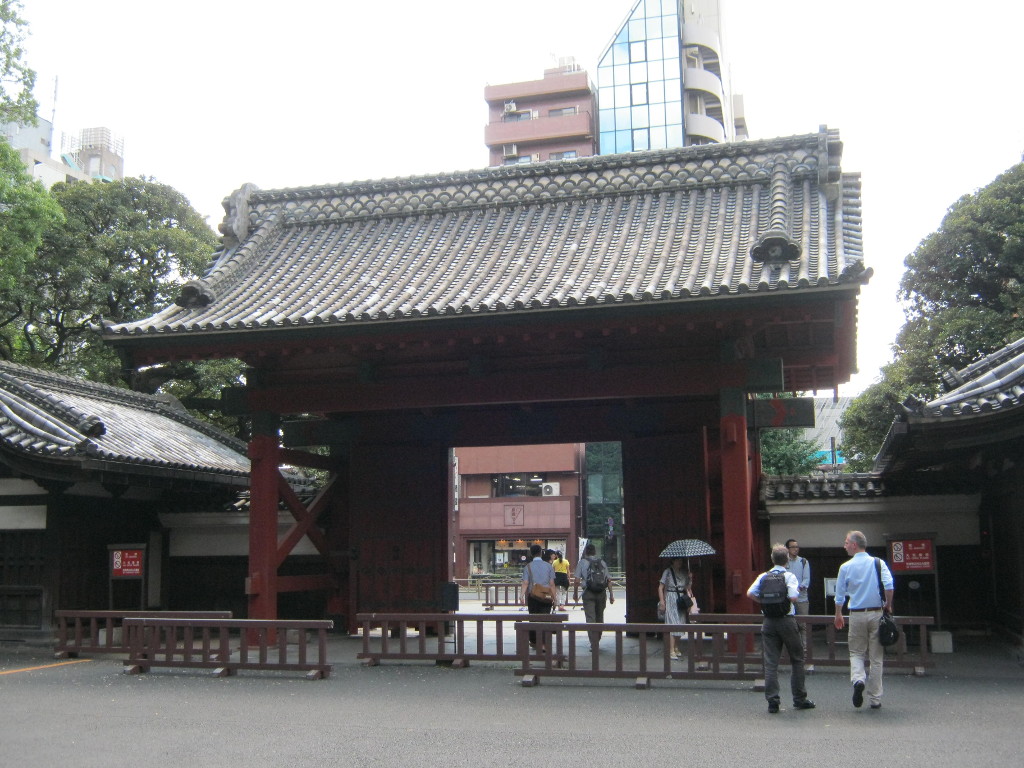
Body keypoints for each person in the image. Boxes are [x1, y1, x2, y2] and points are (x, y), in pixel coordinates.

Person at [747, 544, 815, 714]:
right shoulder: (789, 576)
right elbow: (793, 596)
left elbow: (750, 593)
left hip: (768, 621)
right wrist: (784, 602)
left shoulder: (763, 576)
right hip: (786, 620)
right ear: (787, 560)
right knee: (797, 659)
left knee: (771, 663)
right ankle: (799, 698)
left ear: (772, 559)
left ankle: (773, 701)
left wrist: (764, 602)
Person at [833, 530, 894, 710]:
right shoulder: (878, 563)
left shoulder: (845, 567)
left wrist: (838, 613)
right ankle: (875, 699)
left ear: (854, 544)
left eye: (846, 542)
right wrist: (888, 604)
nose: (844, 546)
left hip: (856, 613)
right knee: (876, 657)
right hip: (876, 612)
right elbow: (889, 585)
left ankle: (858, 679)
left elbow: (839, 594)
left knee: (856, 652)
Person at [574, 543, 615, 652]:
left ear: (586, 552)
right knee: (600, 617)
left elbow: (577, 580)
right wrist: (611, 594)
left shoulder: (582, 563)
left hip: (588, 593)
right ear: (595, 552)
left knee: (590, 618)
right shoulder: (602, 562)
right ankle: (598, 639)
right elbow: (609, 580)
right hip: (601, 592)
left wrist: (575, 594)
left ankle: (594, 643)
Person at [657, 557, 696, 659]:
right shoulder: (667, 572)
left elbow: (687, 588)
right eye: (677, 560)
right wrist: (662, 601)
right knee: (672, 623)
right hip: (670, 597)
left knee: (680, 623)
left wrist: (690, 579)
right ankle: (671, 650)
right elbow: (661, 587)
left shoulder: (684, 572)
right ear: (673, 561)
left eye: (681, 560)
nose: (680, 562)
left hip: (681, 599)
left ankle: (676, 647)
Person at [521, 544, 556, 650]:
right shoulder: (548, 566)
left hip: (533, 596)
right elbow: (552, 584)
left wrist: (521, 596)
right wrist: (555, 598)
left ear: (531, 554)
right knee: (545, 619)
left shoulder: (528, 566)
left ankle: (535, 642)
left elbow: (525, 582)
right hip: (546, 597)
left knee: (533, 619)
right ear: (541, 553)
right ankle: (544, 644)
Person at [785, 538, 811, 659]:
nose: (796, 549)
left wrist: (798, 589)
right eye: (793, 547)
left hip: (801, 597)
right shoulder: (784, 562)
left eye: (797, 547)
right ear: (787, 549)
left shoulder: (803, 562)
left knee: (803, 625)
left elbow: (806, 580)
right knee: (788, 624)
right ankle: (790, 650)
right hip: (787, 598)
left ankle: (804, 651)